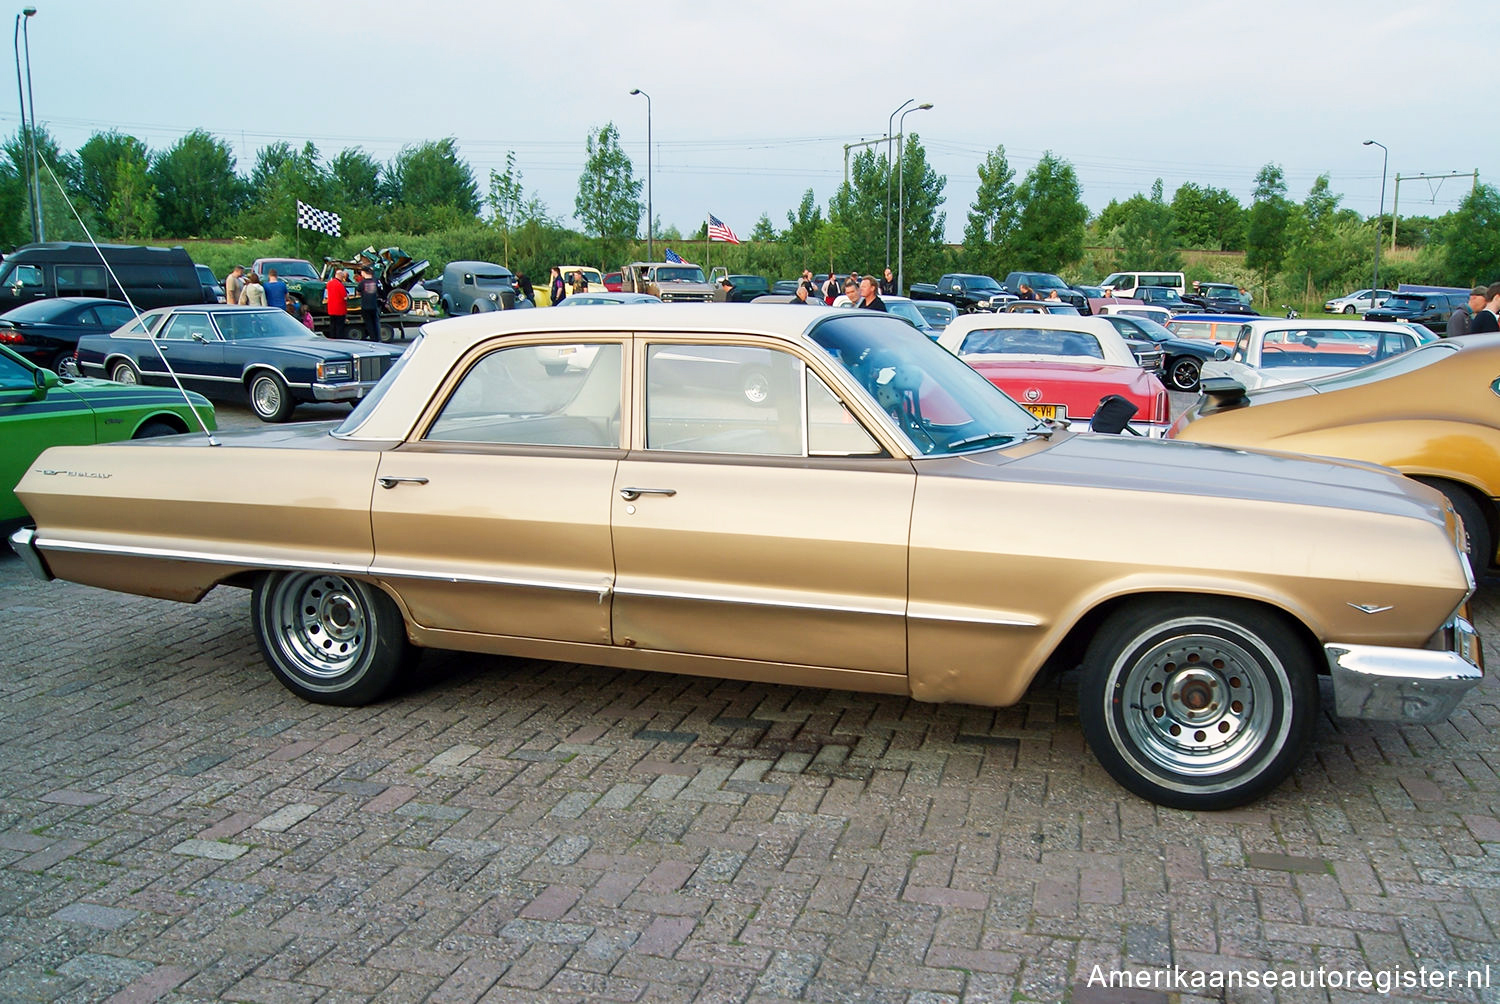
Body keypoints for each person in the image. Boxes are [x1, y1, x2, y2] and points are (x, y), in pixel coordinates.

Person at [324, 268, 348, 339]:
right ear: (340, 276)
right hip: (339, 309)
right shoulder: (340, 285)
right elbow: (344, 297)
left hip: (331, 308)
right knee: (339, 326)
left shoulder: (329, 283)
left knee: (332, 325)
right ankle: (339, 339)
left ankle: (332, 338)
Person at [357, 266, 380, 341]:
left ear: (363, 272)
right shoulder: (376, 281)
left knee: (369, 323)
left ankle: (372, 338)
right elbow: (380, 292)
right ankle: (378, 338)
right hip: (374, 305)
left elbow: (358, 293)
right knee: (376, 322)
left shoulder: (362, 283)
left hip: (365, 306)